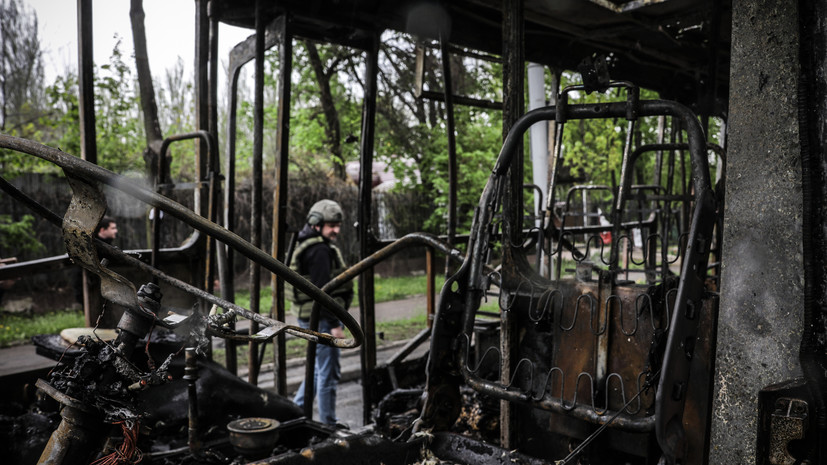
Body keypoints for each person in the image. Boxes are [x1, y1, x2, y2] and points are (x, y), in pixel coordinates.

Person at [286, 200, 353, 426]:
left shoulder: (309, 244)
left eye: (338, 224)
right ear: (316, 224)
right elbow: (322, 293)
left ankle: (295, 414)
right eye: (331, 225)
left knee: (316, 371)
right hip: (323, 320)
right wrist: (334, 324)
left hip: (310, 317)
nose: (336, 230)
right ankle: (329, 425)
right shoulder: (319, 251)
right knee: (329, 373)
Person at [74, 216, 118, 304]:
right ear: (102, 230)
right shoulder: (93, 247)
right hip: (90, 288)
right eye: (112, 228)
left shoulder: (106, 246)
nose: (116, 231)